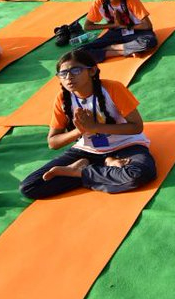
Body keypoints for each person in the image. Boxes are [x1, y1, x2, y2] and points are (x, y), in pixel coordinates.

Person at [19, 51, 157, 200]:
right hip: (87, 151)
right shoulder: (62, 99)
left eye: (75, 70)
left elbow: (136, 127)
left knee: (140, 174)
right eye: (63, 73)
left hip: (125, 146)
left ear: (92, 70)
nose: (69, 77)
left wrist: (95, 128)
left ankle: (81, 172)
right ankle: (104, 169)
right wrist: (80, 130)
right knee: (30, 186)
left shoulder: (113, 88)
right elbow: (53, 142)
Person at [77, 0, 158, 62]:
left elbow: (147, 25)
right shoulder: (98, 2)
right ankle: (121, 51)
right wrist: (114, 25)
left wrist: (124, 26)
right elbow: (87, 26)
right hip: (116, 32)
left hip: (137, 31)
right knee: (80, 51)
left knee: (149, 42)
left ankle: (111, 47)